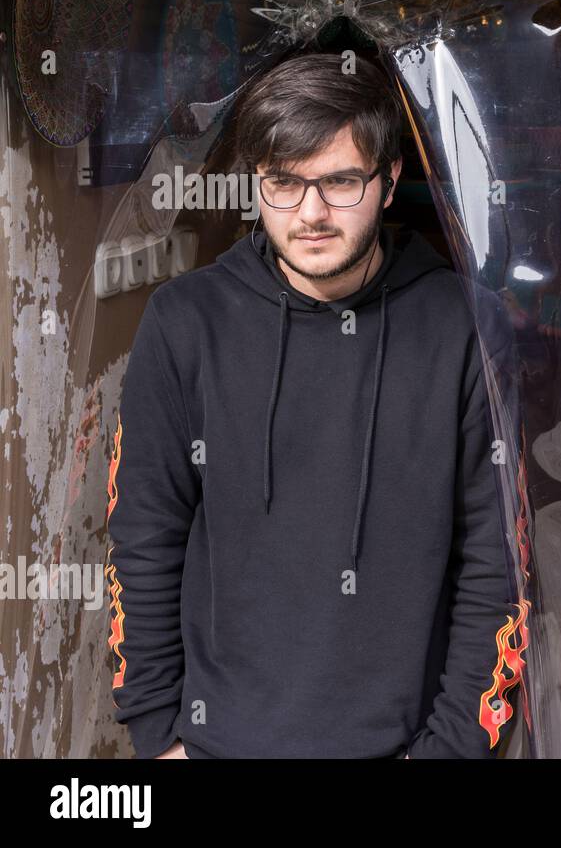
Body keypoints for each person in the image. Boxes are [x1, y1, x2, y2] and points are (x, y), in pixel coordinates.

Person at [104, 53, 522, 758]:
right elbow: (142, 539)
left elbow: (498, 561)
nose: (311, 214)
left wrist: (450, 749)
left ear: (389, 180)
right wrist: (158, 735)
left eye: (339, 181)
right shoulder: (185, 322)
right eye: (283, 184)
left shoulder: (465, 328)